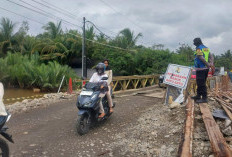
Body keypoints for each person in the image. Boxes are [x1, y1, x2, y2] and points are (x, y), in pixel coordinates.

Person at [191, 38, 214, 103]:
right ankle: (198, 95)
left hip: (201, 69)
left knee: (201, 83)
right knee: (200, 83)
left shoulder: (198, 48)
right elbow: (211, 56)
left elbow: (201, 57)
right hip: (205, 69)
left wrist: (208, 64)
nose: (193, 43)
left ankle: (204, 98)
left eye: (194, 42)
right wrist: (211, 64)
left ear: (197, 42)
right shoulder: (205, 48)